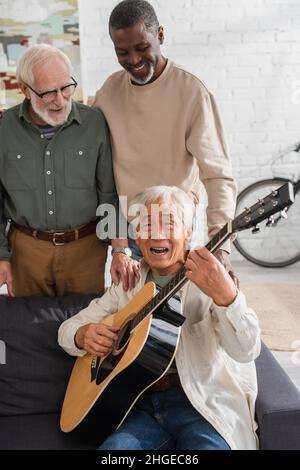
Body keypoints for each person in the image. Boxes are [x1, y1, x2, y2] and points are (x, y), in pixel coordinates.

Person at [58, 186, 261, 450]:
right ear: (137, 236)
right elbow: (66, 329)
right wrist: (82, 334)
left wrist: (228, 298)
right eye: (146, 225)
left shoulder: (213, 279)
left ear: (188, 234)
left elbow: (247, 350)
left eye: (168, 224)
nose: (157, 234)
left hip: (203, 406)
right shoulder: (128, 285)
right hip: (140, 405)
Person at [93, 0, 238, 282]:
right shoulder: (109, 92)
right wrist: (118, 244)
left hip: (177, 230)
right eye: (122, 52)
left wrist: (221, 246)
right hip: (130, 228)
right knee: (132, 319)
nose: (133, 60)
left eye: (142, 47)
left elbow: (218, 175)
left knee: (183, 314)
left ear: (160, 35)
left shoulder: (192, 93)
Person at [0, 44, 138, 297]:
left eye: (66, 88)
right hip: (26, 250)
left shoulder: (94, 123)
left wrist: (119, 249)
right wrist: (1, 256)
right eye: (49, 93)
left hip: (85, 249)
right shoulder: (4, 129)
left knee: (87, 326)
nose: (61, 100)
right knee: (30, 330)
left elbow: (109, 192)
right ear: (24, 90)